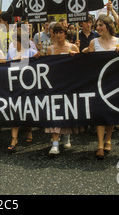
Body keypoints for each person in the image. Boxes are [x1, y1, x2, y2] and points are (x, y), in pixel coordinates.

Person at [86, 14, 119, 159]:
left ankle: (108, 138)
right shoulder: (93, 42)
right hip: (99, 82)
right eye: (97, 25)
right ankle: (100, 145)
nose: (98, 28)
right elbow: (89, 65)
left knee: (111, 112)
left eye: (100, 25)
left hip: (115, 82)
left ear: (108, 26)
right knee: (100, 113)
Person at [45, 23, 80, 155]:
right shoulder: (50, 49)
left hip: (69, 85)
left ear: (65, 34)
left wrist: (75, 57)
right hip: (55, 85)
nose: (58, 35)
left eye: (61, 33)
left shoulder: (73, 47)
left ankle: (66, 136)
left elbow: (82, 66)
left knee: (67, 111)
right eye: (56, 33)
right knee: (54, 112)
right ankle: (54, 143)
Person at [6, 31, 40, 153]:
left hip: (28, 83)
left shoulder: (30, 51)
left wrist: (38, 55)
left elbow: (39, 61)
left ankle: (29, 130)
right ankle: (14, 139)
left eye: (15, 41)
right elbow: (5, 65)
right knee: (14, 109)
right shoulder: (11, 52)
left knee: (28, 108)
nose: (13, 43)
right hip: (15, 84)